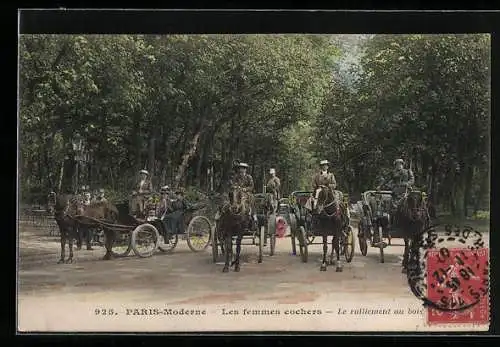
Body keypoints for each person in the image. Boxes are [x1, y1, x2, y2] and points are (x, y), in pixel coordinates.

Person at [229, 162, 257, 230]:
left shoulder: (249, 177)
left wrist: (245, 189)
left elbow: (251, 186)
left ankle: (253, 215)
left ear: (245, 170)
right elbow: (232, 184)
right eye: (240, 168)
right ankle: (232, 207)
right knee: (231, 193)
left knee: (252, 199)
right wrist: (235, 186)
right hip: (237, 192)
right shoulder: (236, 177)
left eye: (243, 168)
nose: (241, 170)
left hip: (246, 193)